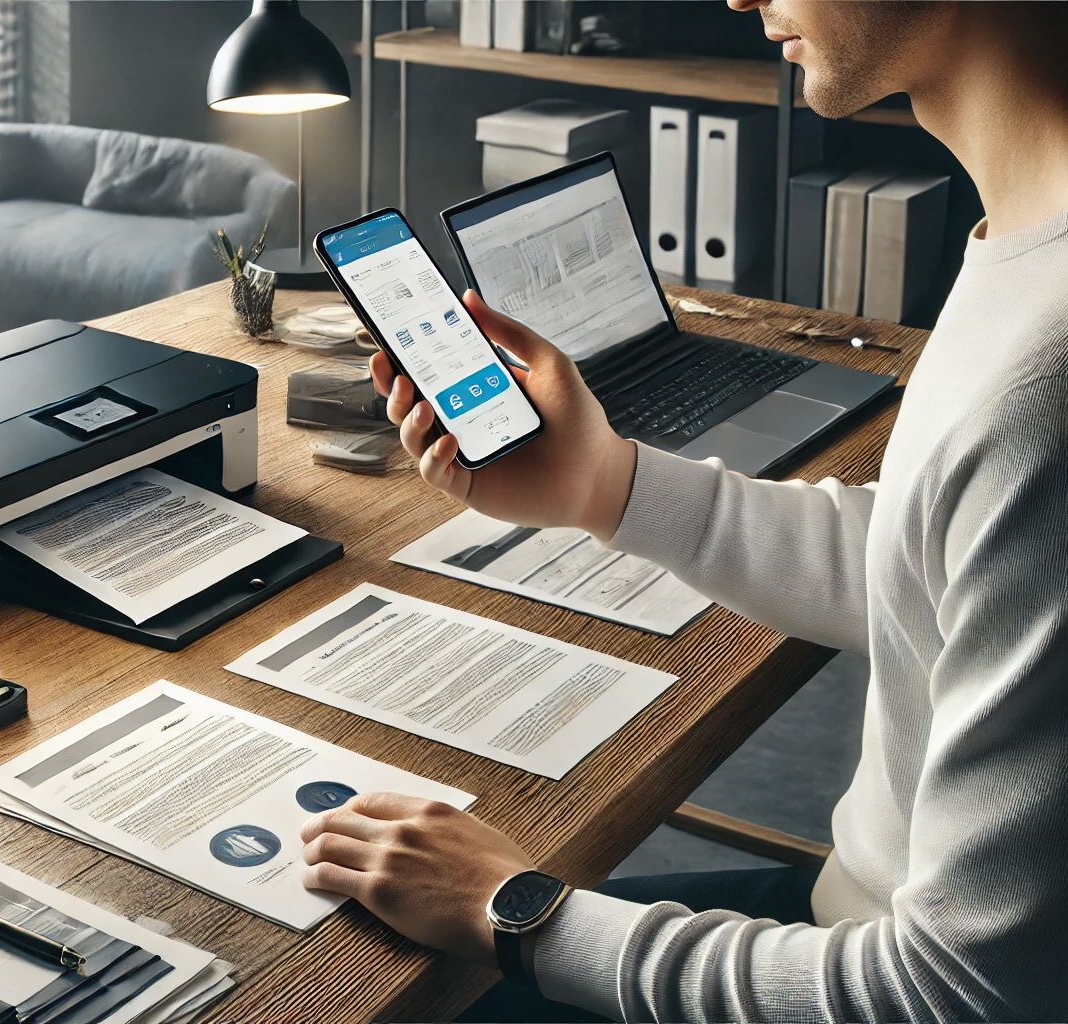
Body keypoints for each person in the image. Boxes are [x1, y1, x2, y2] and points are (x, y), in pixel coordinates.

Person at [299, 1, 1068, 1020]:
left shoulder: (1047, 386)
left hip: (879, 970)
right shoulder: (1027, 248)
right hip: (855, 920)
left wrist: (512, 906)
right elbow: (931, 558)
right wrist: (606, 483)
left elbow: (963, 991)